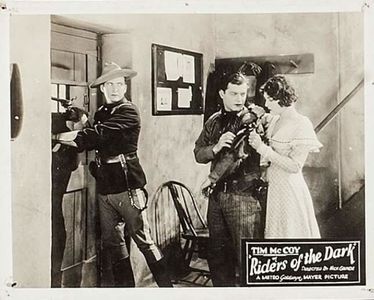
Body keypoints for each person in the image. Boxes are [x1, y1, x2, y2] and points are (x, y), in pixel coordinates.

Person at [54, 62, 172, 287]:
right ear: (103, 88)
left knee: (145, 241)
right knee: (114, 244)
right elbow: (92, 136)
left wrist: (57, 137)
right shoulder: (102, 112)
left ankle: (168, 289)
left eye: (120, 84)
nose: (116, 89)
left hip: (128, 187)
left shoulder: (129, 111)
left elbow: (95, 136)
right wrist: (79, 121)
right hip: (106, 187)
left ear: (125, 88)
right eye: (110, 84)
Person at [194, 69, 264, 286]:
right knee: (217, 258)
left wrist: (211, 178)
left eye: (243, 94)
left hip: (243, 198)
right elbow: (198, 153)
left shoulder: (250, 118)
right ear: (222, 93)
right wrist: (214, 148)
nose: (239, 99)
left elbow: (236, 155)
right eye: (234, 94)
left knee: (247, 260)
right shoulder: (214, 120)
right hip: (217, 200)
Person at [248, 75, 322, 238]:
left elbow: (295, 166)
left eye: (269, 100)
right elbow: (259, 116)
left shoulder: (301, 124)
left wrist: (262, 148)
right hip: (275, 189)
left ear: (281, 98)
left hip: (290, 190)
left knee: (291, 235)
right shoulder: (274, 119)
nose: (266, 104)